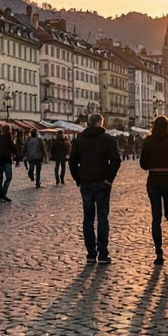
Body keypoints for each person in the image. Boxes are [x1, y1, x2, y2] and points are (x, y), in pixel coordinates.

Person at [69, 113, 122, 264]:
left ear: (89, 123)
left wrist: (78, 178)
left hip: (86, 182)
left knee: (88, 218)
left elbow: (72, 162)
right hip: (101, 182)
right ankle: (103, 253)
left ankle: (91, 254)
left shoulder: (80, 139)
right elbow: (116, 160)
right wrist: (109, 179)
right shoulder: (108, 139)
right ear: (101, 122)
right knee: (102, 217)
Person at [139, 115, 168, 264]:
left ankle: (159, 252)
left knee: (156, 218)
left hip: (154, 180)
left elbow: (143, 164)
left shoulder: (149, 141)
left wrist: (153, 163)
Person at [0, 126, 18, 202]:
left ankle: (1, 195)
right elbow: (14, 149)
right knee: (9, 177)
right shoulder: (8, 138)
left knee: (0, 178)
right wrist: (14, 154)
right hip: (6, 160)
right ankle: (3, 193)